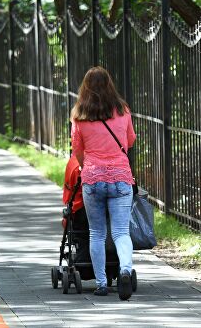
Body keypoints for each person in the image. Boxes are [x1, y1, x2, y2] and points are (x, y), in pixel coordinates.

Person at [71, 66, 136, 300]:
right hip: (120, 177)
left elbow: (77, 150)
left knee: (96, 233)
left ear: (85, 88)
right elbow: (129, 141)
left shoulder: (79, 115)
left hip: (92, 178)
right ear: (110, 85)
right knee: (120, 232)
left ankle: (101, 284)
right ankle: (125, 270)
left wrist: (86, 166)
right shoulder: (123, 110)